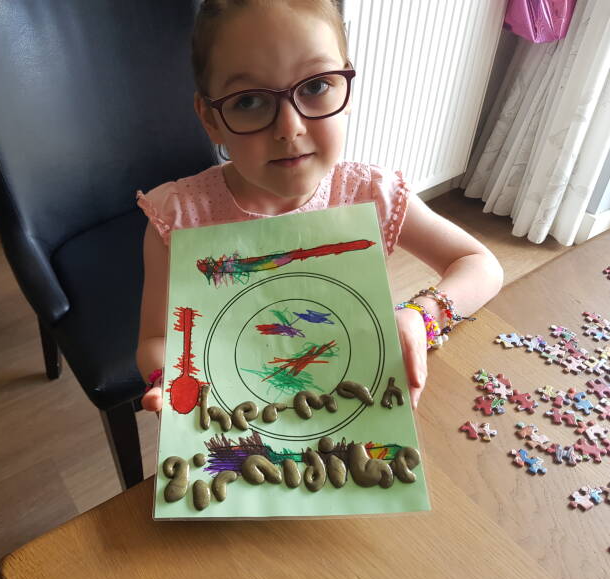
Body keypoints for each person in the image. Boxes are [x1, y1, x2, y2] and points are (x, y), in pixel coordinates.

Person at [136, 0, 503, 412]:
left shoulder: (369, 193)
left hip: (350, 406)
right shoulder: (177, 219)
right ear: (210, 118)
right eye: (249, 101)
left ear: (347, 86)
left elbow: (480, 264)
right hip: (235, 412)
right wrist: (168, 377)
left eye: (314, 87)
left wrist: (420, 315)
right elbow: (157, 339)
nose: (289, 128)